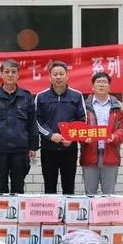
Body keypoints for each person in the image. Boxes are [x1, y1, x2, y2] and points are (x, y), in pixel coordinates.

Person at [0, 59, 39, 194]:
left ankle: (16, 208)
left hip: (20, 149)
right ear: (1, 74)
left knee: (18, 186)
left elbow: (32, 123)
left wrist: (33, 146)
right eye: (7, 72)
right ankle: (0, 208)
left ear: (18, 75)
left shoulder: (26, 97)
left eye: (13, 72)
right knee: (0, 186)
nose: (10, 75)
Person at [35, 61, 86, 194]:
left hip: (69, 149)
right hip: (48, 149)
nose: (58, 77)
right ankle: (51, 208)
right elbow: (37, 120)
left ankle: (68, 208)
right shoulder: (41, 97)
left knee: (68, 186)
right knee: (49, 186)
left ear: (67, 76)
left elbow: (82, 120)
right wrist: (50, 135)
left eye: (61, 74)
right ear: (50, 77)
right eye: (55, 74)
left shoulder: (76, 96)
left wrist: (72, 137)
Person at [80, 72, 123, 195]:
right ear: (92, 87)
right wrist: (83, 138)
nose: (101, 85)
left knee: (109, 194)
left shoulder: (119, 107)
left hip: (110, 153)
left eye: (104, 82)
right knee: (90, 194)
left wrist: (114, 136)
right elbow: (78, 127)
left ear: (109, 87)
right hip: (89, 154)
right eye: (98, 82)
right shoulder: (83, 107)